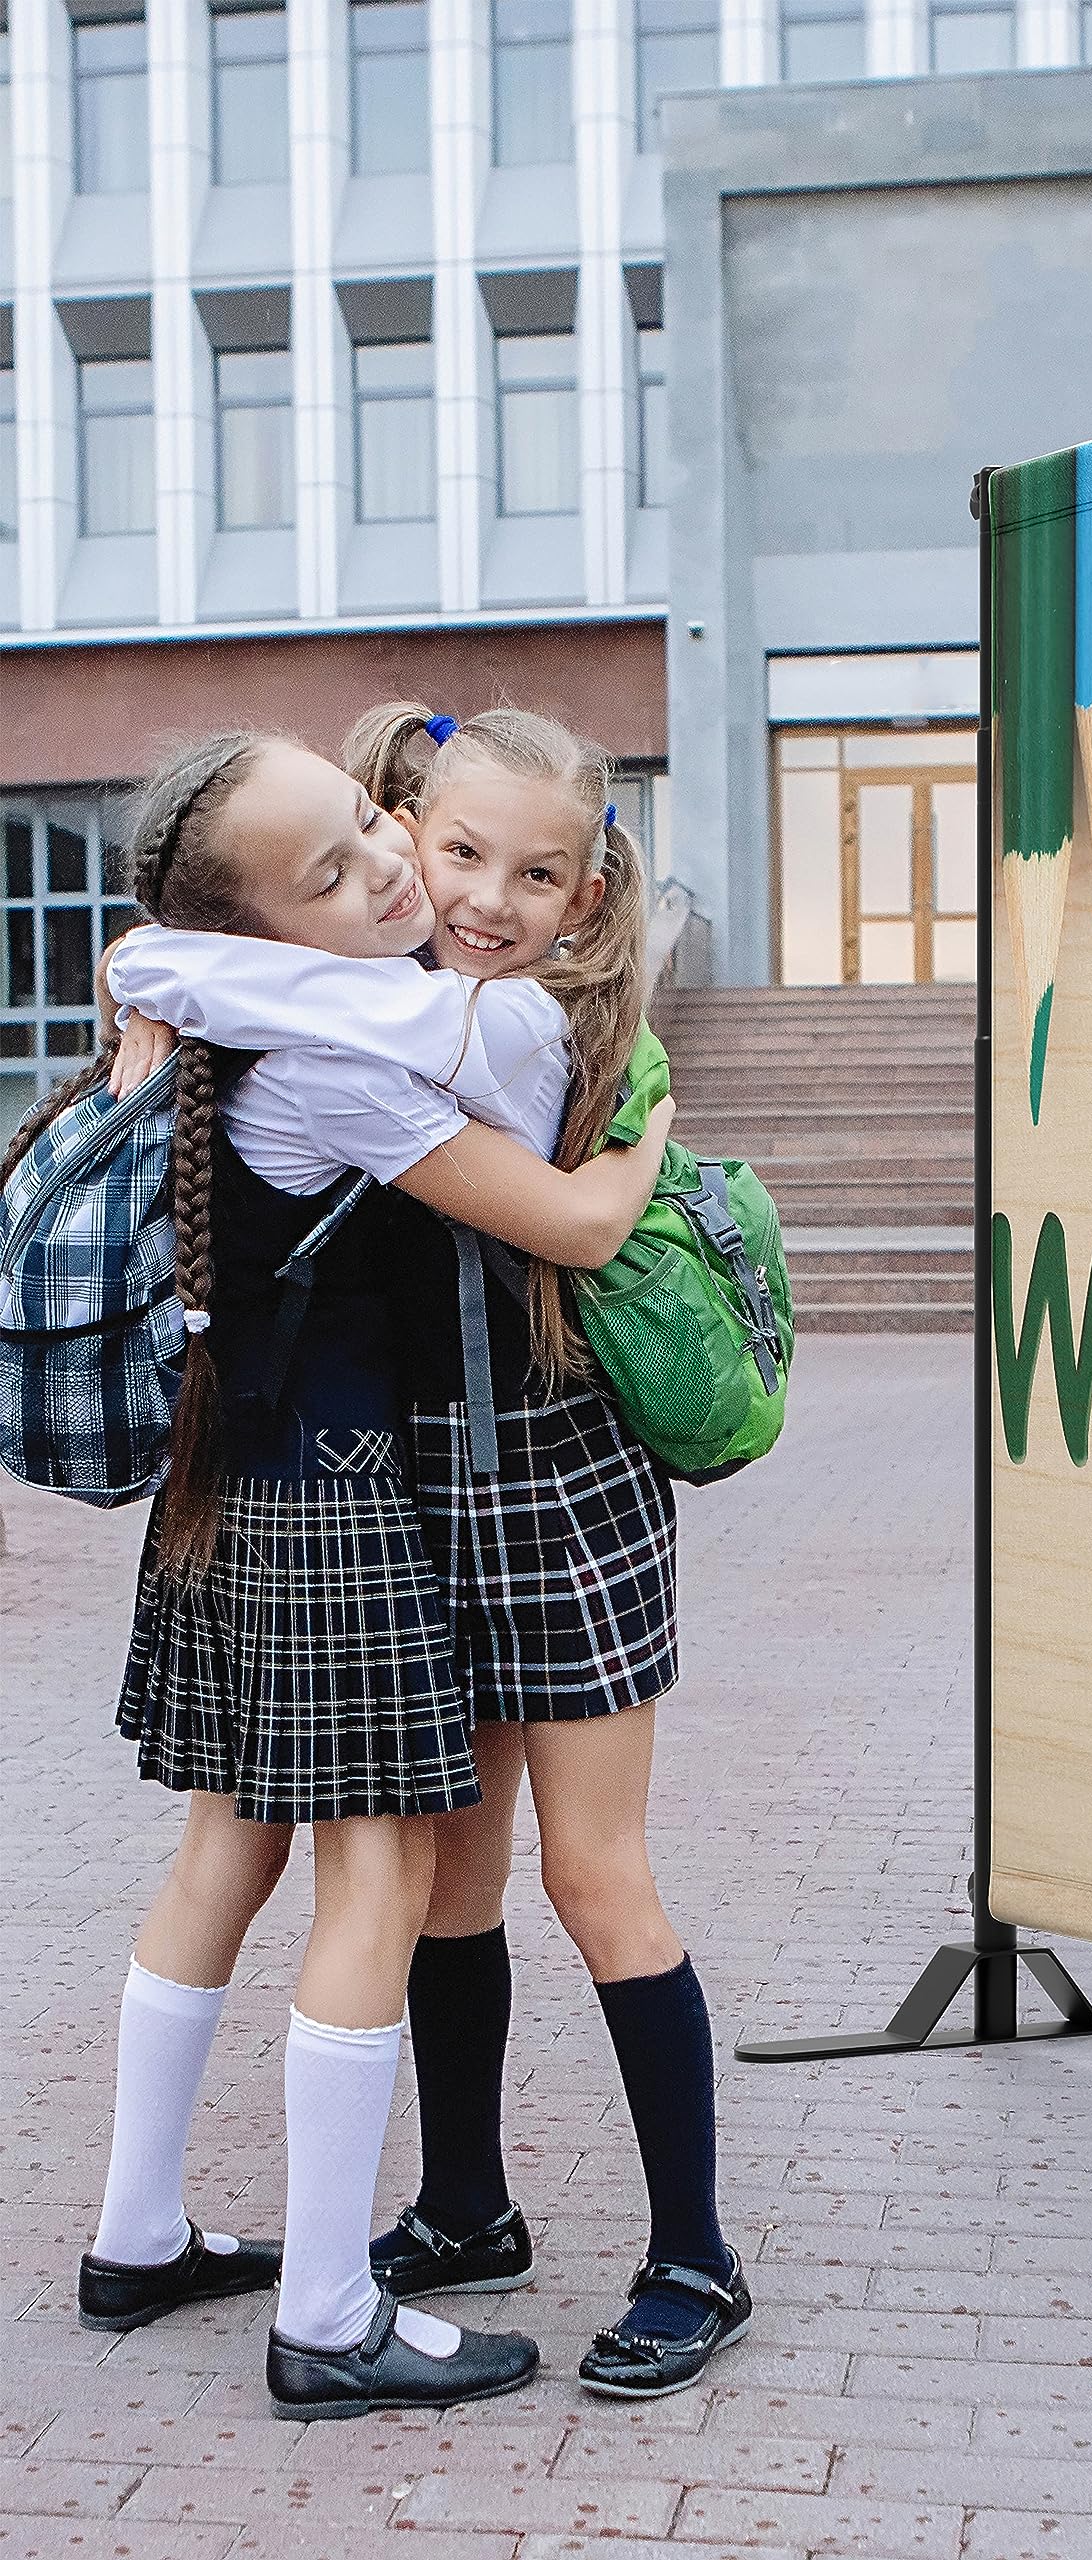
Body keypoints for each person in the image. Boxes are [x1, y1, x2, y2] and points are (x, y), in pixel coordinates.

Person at [15, 729, 675, 2418]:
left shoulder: (226, 1013)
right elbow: (525, 1077)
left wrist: (164, 957)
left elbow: (185, 951)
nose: (390, 868)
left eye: (371, 822)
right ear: (265, 937)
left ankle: (139, 2234)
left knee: (218, 1863)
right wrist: (633, 1166)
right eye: (335, 871)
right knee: (372, 1886)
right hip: (338, 1508)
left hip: (222, 1501)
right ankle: (326, 2314)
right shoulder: (361, 1047)